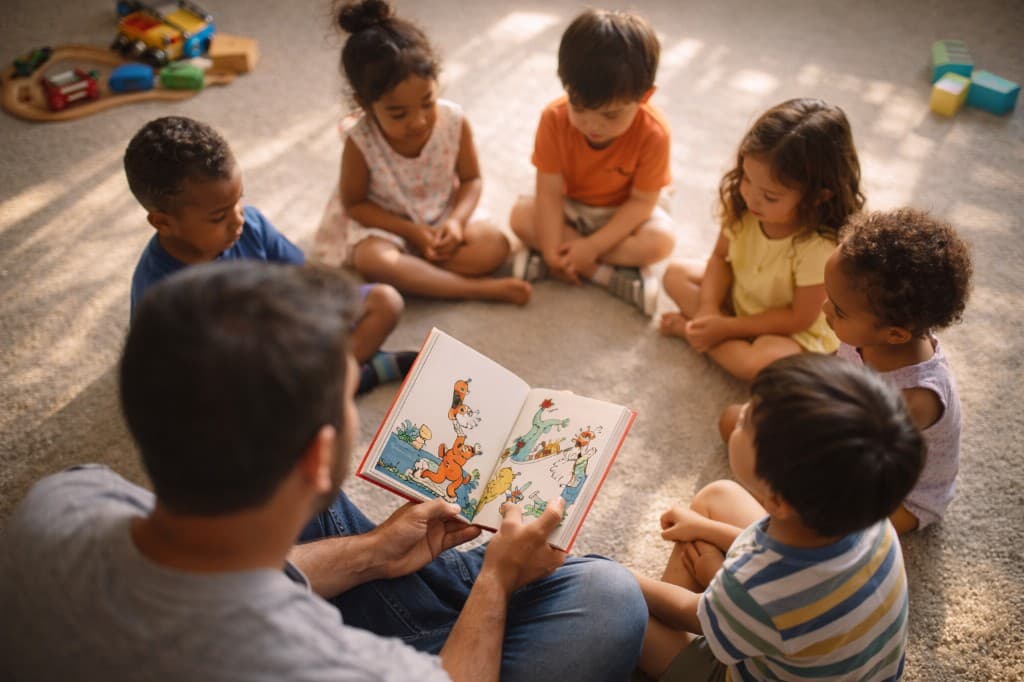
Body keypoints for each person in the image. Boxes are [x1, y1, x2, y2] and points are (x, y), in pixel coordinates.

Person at [0, 261, 647, 682]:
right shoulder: (320, 667)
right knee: (610, 601)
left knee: (333, 516)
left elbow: (213, 572)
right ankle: (477, 594)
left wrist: (371, 554)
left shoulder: (64, 496)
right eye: (350, 393)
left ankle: (443, 587)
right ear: (318, 453)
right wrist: (497, 581)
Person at [632, 354, 924, 681]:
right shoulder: (868, 512)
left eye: (746, 421)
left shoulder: (755, 586)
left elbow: (696, 614)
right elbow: (789, 580)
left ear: (776, 499)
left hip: (742, 656)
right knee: (718, 496)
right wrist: (706, 530)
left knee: (627, 614)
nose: (739, 411)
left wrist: (626, 575)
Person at [125, 115, 414, 394]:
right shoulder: (160, 292)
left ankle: (336, 378)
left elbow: (306, 280)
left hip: (281, 332)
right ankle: (357, 375)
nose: (238, 218)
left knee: (384, 302)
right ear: (163, 222)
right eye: (218, 217)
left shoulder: (251, 225)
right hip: (232, 367)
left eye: (238, 200)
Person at [313, 0, 531, 305]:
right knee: (374, 261)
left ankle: (418, 274)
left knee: (495, 246)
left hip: (442, 217)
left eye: (427, 102)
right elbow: (355, 204)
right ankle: (473, 289)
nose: (418, 122)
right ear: (365, 103)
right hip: (387, 226)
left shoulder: (454, 121)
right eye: (398, 113)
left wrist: (455, 221)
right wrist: (411, 232)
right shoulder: (360, 140)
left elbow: (472, 180)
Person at [659, 98, 864, 380]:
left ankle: (692, 333)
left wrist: (726, 328)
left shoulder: (819, 246)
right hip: (743, 295)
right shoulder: (741, 206)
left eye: (770, 196)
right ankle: (706, 331)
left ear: (819, 196)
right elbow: (719, 258)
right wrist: (708, 310)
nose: (751, 196)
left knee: (761, 365)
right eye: (746, 178)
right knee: (675, 273)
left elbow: (799, 318)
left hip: (789, 328)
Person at [509, 8, 676, 315]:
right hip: (571, 205)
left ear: (645, 97)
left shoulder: (655, 133)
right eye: (579, 107)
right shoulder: (553, 119)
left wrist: (592, 247)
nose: (592, 125)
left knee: (661, 242)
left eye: (611, 115)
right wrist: (549, 251)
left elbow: (642, 203)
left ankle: (583, 261)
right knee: (520, 216)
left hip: (624, 211)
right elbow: (548, 191)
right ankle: (604, 273)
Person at [822, 208, 972, 533]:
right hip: (858, 434)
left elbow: (860, 452)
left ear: (895, 335)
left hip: (902, 496)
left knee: (824, 512)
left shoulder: (916, 396)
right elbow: (836, 366)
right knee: (746, 423)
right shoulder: (865, 333)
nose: (824, 311)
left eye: (837, 310)